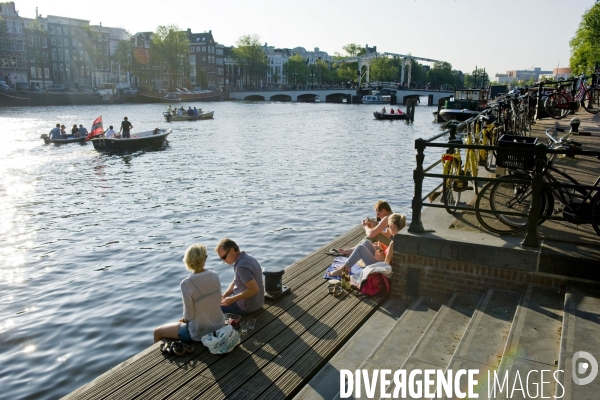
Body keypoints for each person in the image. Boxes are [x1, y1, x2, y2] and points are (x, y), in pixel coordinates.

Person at [153, 244, 225, 343]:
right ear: (204, 259)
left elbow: (189, 316)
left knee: (158, 332)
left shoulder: (186, 283)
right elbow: (219, 300)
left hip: (200, 332)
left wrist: (183, 320)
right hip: (219, 326)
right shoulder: (214, 275)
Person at [327, 213, 406, 277]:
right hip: (381, 262)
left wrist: (380, 250)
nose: (387, 228)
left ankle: (343, 270)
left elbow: (386, 266)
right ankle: (347, 267)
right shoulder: (400, 239)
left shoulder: (394, 243)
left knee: (360, 248)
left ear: (393, 226)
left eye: (388, 226)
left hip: (380, 268)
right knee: (366, 242)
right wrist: (382, 248)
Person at [215, 238, 265, 316]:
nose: (224, 261)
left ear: (232, 250)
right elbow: (236, 281)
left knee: (213, 308)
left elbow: (254, 290)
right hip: (258, 303)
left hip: (247, 307)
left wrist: (232, 299)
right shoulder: (248, 258)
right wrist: (225, 294)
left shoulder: (241, 267)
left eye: (224, 257)